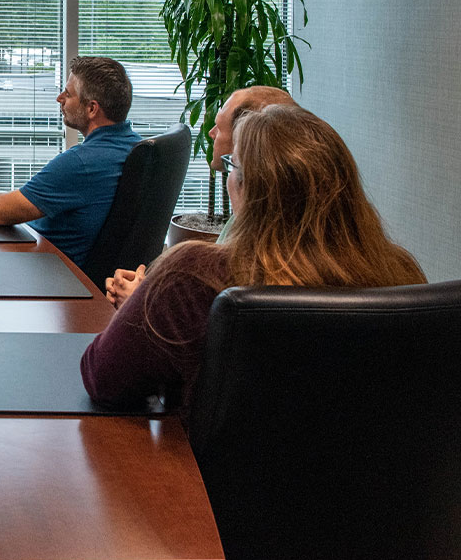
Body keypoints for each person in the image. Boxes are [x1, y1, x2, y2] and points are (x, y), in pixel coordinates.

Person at [80, 104, 425, 426]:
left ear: (250, 189)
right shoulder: (401, 275)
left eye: (234, 166)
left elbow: (102, 377)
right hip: (378, 488)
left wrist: (149, 306)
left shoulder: (192, 277)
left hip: (211, 489)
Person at [104, 84, 297, 306]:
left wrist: (142, 301)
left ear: (247, 137)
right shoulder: (254, 221)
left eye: (219, 128)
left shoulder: (260, 246)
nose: (210, 133)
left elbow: (207, 315)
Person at [0, 56, 141, 269]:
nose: (60, 98)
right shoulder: (136, 147)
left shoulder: (81, 163)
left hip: (48, 270)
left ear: (92, 109)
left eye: (68, 94)